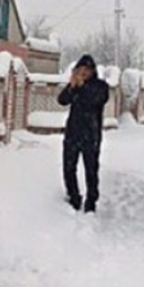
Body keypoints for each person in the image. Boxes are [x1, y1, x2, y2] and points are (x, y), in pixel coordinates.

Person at [58, 55, 110, 212]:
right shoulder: (75, 87)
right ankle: (74, 196)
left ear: (92, 71)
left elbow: (95, 100)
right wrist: (71, 87)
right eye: (80, 70)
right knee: (69, 167)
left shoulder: (100, 86)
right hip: (73, 133)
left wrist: (82, 87)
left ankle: (91, 200)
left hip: (91, 135)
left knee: (91, 169)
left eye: (86, 70)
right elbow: (62, 100)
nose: (83, 73)